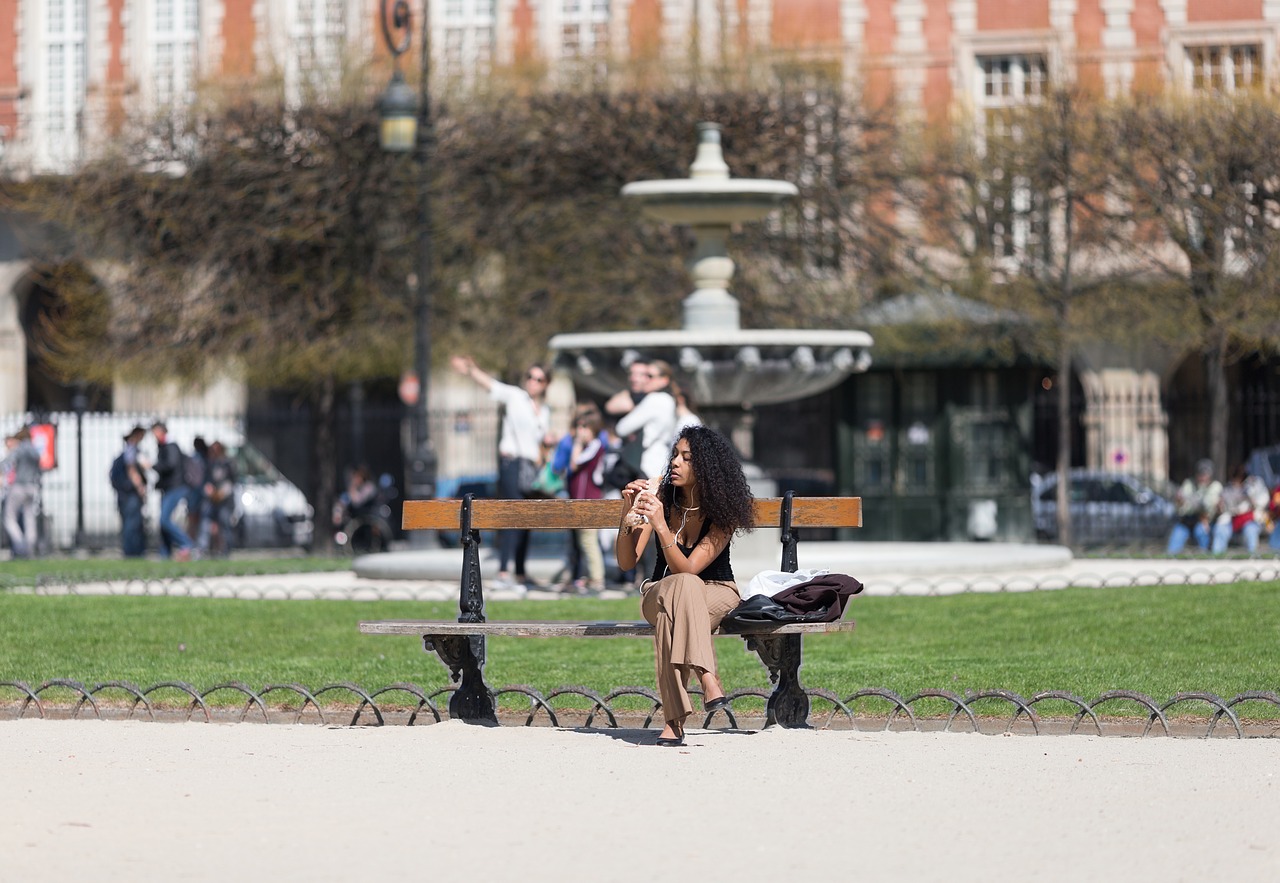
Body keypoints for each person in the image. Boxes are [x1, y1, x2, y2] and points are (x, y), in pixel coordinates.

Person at [616, 424, 755, 747]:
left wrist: (662, 526)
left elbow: (691, 568)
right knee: (681, 588)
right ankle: (708, 677)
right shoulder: (659, 495)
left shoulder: (723, 510)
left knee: (676, 607)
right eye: (675, 455)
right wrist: (627, 512)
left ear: (705, 467)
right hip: (659, 591)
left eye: (686, 458)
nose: (675, 462)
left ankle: (673, 721)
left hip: (716, 591)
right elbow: (627, 561)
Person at [451, 354, 557, 592]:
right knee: (512, 515)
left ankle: (519, 572)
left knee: (526, 518)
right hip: (512, 464)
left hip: (531, 467)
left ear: (545, 384)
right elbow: (490, 384)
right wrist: (471, 369)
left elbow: (539, 442)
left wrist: (549, 443)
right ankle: (503, 571)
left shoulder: (545, 410)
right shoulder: (516, 397)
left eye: (538, 379)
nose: (532, 382)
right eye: (530, 377)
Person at [151, 422, 196, 561]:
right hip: (169, 488)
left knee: (164, 520)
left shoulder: (170, 446)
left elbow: (170, 465)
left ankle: (187, 544)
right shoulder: (164, 446)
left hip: (175, 487)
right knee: (163, 523)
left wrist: (153, 466)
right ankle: (165, 554)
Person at [1166, 459, 1223, 555]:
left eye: (1205, 474)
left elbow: (1209, 507)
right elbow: (1182, 506)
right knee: (1174, 542)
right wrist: (1179, 501)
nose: (1202, 477)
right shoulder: (1188, 483)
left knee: (1201, 532)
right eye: (1200, 474)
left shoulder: (1216, 486)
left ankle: (1204, 558)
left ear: (1210, 475)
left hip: (1205, 522)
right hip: (1187, 520)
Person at [2, 427, 42, 558]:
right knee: (29, 517)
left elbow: (6, 463)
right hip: (32, 486)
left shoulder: (19, 448)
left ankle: (20, 545)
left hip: (19, 486)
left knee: (9, 518)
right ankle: (31, 546)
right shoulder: (34, 451)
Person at [1213, 464, 1270, 556]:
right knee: (1220, 529)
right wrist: (1220, 506)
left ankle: (1252, 558)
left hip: (1249, 520)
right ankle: (1216, 558)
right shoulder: (1228, 489)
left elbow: (1263, 501)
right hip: (1232, 520)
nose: (1237, 481)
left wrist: (1252, 500)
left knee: (1250, 530)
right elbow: (1223, 510)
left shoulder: (1254, 484)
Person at [116, 425, 149, 558]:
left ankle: (134, 551)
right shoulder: (131, 449)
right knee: (131, 523)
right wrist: (140, 487)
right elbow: (131, 470)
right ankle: (131, 552)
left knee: (133, 522)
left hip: (128, 493)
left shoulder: (132, 449)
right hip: (130, 493)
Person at [200, 441, 237, 557]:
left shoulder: (228, 463)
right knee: (205, 523)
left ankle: (226, 551)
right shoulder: (210, 464)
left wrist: (222, 493)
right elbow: (207, 481)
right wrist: (209, 490)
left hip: (225, 499)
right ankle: (203, 549)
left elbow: (232, 481)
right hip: (212, 499)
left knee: (225, 524)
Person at [185, 436, 209, 544]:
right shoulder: (204, 458)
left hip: (196, 493)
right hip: (199, 493)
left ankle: (191, 544)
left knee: (193, 521)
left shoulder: (196, 459)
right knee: (199, 520)